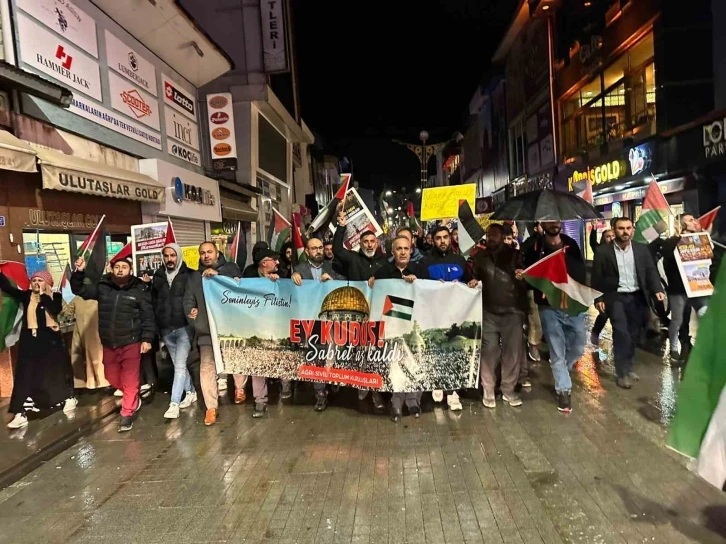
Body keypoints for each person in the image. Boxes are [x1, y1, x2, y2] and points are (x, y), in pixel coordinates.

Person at [72, 253, 155, 432]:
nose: (120, 270)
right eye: (117, 267)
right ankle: (131, 396)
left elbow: (148, 316)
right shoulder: (103, 287)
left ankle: (127, 413)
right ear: (112, 269)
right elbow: (80, 290)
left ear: (130, 270)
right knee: (111, 376)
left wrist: (147, 338)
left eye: (124, 267)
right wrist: (79, 272)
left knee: (130, 378)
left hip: (131, 340)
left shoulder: (139, 290)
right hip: (109, 341)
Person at [592, 217, 665, 389]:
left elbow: (650, 271)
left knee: (634, 334)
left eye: (628, 228)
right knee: (620, 332)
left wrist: (657, 289)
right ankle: (622, 372)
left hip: (637, 297)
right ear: (614, 229)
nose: (625, 232)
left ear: (632, 229)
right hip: (616, 297)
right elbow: (597, 277)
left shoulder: (641, 250)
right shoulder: (603, 252)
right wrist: (598, 298)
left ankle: (629, 366)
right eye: (621, 228)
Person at [521, 221, 587, 412]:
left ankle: (562, 369)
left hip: (572, 303)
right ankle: (563, 391)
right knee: (556, 348)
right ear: (542, 224)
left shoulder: (571, 244)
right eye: (550, 221)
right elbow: (528, 273)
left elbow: (580, 270)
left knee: (579, 344)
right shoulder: (534, 247)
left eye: (557, 221)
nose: (554, 224)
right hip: (548, 306)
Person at [1, 270, 76, 429]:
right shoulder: (27, 296)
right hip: (29, 344)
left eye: (40, 280)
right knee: (24, 376)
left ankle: (66, 398)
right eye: (34, 280)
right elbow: (8, 288)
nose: (36, 283)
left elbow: (54, 309)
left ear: (47, 283)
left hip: (50, 345)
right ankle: (19, 412)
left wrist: (42, 295)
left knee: (52, 375)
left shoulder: (54, 297)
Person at [369, 235, 430, 422]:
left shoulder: (421, 270)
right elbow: (374, 295)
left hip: (413, 328)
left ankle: (413, 401)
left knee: (414, 364)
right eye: (399, 249)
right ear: (392, 252)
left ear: (411, 250)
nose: (403, 252)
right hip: (393, 329)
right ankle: (396, 404)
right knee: (395, 366)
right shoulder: (383, 272)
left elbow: (430, 294)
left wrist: (418, 282)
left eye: (406, 248)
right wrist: (372, 282)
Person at [333, 209, 388, 410]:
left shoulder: (384, 262)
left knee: (376, 354)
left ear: (377, 243)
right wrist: (341, 226)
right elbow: (337, 250)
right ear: (360, 244)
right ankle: (363, 385)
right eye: (365, 242)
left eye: (372, 241)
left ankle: (376, 392)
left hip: (379, 317)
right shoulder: (353, 259)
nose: (369, 244)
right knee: (360, 353)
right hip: (358, 316)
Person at [183, 242, 241, 425]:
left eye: (209, 252)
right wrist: (191, 314)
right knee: (207, 368)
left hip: (230, 328)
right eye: (202, 253)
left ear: (218, 253)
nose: (206, 256)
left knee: (236, 360)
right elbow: (188, 300)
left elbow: (241, 289)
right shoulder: (194, 277)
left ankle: (240, 388)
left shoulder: (231, 268)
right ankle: (211, 407)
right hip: (206, 330)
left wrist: (219, 276)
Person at [470, 224, 527, 409]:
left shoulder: (515, 255)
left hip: (512, 312)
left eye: (494, 234)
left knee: (512, 353)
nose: (491, 237)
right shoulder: (479, 257)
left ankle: (508, 389)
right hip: (489, 312)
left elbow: (527, 278)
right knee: (489, 352)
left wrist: (522, 277)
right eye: (489, 234)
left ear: (503, 236)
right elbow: (474, 277)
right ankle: (488, 389)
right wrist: (472, 281)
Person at [292, 237, 345, 411]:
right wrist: (293, 277)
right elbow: (288, 290)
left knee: (331, 356)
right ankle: (320, 394)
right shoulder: (299, 269)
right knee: (315, 357)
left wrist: (333, 280)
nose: (318, 251)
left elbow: (345, 281)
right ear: (307, 251)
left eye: (320, 247)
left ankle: (332, 383)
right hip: (311, 322)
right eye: (314, 248)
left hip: (331, 320)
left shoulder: (332, 265)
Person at [650, 214, 709, 362]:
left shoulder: (700, 240)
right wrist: (679, 238)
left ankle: (698, 346)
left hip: (698, 287)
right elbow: (665, 252)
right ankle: (675, 349)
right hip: (679, 289)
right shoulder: (672, 242)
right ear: (681, 225)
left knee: (705, 315)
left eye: (694, 219)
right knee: (678, 320)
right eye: (690, 220)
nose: (694, 222)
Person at [423, 225, 470, 411]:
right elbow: (420, 286)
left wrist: (469, 283)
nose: (442, 241)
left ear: (450, 239)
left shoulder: (460, 260)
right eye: (438, 238)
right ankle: (437, 383)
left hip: (457, 315)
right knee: (437, 351)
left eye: (445, 237)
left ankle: (453, 391)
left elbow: (469, 282)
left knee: (455, 351)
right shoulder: (426, 262)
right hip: (435, 315)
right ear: (432, 240)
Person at [150, 243, 197, 419]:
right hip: (166, 328)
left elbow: (195, 298)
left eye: (173, 255)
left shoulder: (190, 275)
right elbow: (154, 302)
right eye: (166, 256)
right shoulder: (158, 276)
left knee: (178, 365)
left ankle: (174, 403)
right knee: (180, 364)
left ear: (178, 256)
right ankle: (191, 391)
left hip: (184, 327)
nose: (169, 259)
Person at [240, 247, 282, 416]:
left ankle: (285, 388)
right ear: (264, 263)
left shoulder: (281, 274)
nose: (278, 262)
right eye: (274, 259)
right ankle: (260, 400)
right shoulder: (248, 277)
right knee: (258, 365)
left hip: (277, 328)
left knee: (281, 362)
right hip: (255, 328)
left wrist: (279, 282)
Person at [61, 296, 108, 390]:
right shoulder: (77, 298)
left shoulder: (98, 296)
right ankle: (82, 383)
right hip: (80, 331)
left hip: (95, 332)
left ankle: (102, 382)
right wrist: (59, 298)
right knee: (77, 356)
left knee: (97, 357)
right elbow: (67, 311)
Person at [589, 226, 616, 346]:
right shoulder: (600, 251)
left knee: (617, 317)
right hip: (604, 291)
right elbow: (596, 277)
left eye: (612, 236)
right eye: (608, 236)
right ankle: (595, 333)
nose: (611, 239)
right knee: (604, 315)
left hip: (616, 293)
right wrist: (598, 298)